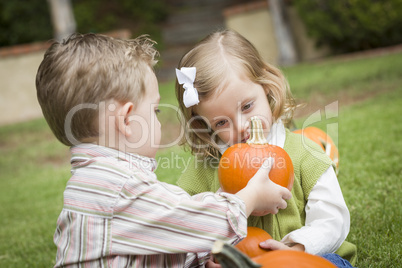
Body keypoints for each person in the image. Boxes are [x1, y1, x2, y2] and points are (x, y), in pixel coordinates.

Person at [35, 33, 292, 267]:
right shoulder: (119, 190)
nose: (159, 119)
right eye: (155, 110)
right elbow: (196, 225)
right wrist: (250, 198)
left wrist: (203, 259)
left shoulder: (95, 183)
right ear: (127, 120)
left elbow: (163, 239)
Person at [174, 30, 357, 267]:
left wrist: (297, 247)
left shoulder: (304, 152)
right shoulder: (205, 167)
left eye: (247, 106)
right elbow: (180, 217)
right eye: (221, 122)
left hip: (306, 258)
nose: (241, 126)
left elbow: (332, 219)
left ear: (267, 87)